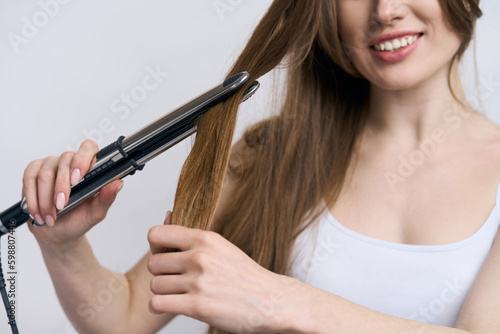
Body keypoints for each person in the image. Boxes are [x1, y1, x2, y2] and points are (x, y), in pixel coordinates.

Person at [21, 0, 499, 333]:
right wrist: (64, 247)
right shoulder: (266, 154)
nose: (385, 10)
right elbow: (122, 318)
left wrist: (276, 300)